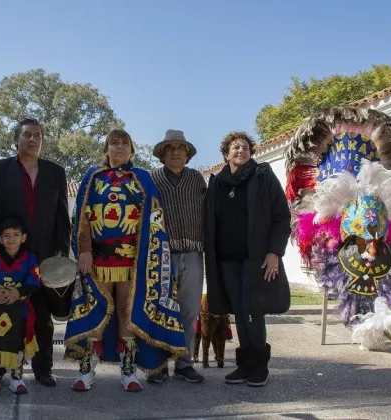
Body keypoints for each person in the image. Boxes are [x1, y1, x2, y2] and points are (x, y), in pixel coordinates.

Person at [65, 129, 187, 392]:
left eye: (124, 144)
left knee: (126, 313)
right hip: (96, 261)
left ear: (132, 150)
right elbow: (81, 216)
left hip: (134, 262)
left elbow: (156, 218)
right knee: (95, 309)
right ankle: (87, 370)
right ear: (106, 149)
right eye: (114, 143)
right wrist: (83, 250)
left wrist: (151, 258)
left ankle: (128, 371)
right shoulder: (92, 177)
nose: (119, 147)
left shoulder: (142, 178)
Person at [0, 117, 71, 387]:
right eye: (27, 134)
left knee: (42, 317)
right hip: (7, 254)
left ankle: (43, 368)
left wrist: (62, 250)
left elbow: (62, 215)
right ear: (17, 138)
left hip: (42, 255)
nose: (32, 139)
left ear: (42, 140)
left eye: (37, 135)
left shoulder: (55, 172)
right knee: (3, 311)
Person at [204, 131, 291, 387]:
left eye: (245, 147)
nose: (240, 150)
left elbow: (281, 217)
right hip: (226, 260)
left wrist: (275, 252)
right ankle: (244, 365)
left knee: (253, 310)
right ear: (226, 154)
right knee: (239, 313)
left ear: (251, 152)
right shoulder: (217, 183)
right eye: (235, 147)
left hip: (255, 259)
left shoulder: (262, 176)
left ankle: (259, 366)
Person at [147, 129, 206, 384]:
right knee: (160, 309)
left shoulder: (196, 180)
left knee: (190, 310)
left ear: (187, 154)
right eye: (170, 149)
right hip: (161, 255)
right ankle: (158, 364)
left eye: (180, 149)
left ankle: (184, 363)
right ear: (162, 154)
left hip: (192, 253)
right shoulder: (152, 179)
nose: (175, 153)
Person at [0, 218, 41, 395]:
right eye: (6, 236)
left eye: (16, 235)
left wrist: (17, 293)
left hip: (19, 305)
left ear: (24, 238)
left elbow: (34, 281)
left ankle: (17, 376)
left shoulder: (30, 258)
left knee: (20, 336)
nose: (11, 239)